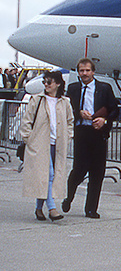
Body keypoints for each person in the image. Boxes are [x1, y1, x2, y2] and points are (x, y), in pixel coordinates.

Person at [65, 58, 119, 218]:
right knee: (79, 170)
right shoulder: (73, 88)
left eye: (87, 70)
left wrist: (105, 120)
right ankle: (69, 196)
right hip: (82, 132)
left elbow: (115, 110)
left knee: (97, 172)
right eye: (81, 71)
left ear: (93, 72)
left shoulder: (104, 88)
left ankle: (91, 208)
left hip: (98, 133)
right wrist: (78, 113)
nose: (84, 74)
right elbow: (66, 110)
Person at [17, 70, 73, 222]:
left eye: (49, 82)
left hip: (58, 144)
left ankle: (38, 208)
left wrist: (68, 136)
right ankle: (52, 209)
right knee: (49, 174)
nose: (46, 85)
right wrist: (29, 139)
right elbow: (26, 121)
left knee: (46, 177)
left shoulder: (64, 102)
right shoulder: (37, 100)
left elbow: (70, 121)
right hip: (40, 144)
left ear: (58, 84)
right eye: (45, 82)